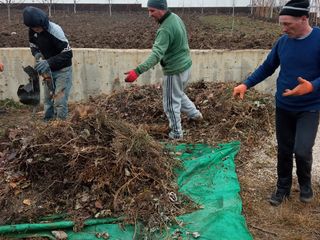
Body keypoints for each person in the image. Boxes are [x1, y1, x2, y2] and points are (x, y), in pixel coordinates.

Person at [233, 0, 320, 206]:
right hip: (284, 107)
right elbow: (267, 67)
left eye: (288, 24)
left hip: (309, 107)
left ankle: (305, 185)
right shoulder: (283, 42)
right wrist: (246, 84)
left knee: (302, 149)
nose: (284, 28)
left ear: (303, 19)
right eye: (282, 24)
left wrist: (312, 86)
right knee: (283, 149)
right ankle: (282, 188)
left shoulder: (318, 39)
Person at [124, 0, 202, 140]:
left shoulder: (165, 29)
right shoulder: (175, 18)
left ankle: (176, 134)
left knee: (170, 104)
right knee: (178, 94)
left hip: (174, 71)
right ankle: (195, 115)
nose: (150, 14)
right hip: (185, 66)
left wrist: (137, 71)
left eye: (152, 11)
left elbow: (156, 54)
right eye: (149, 10)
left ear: (162, 9)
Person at [23, 6, 73, 121]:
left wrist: (49, 62)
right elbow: (33, 46)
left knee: (59, 101)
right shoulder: (32, 31)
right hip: (47, 72)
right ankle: (47, 124)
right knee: (48, 99)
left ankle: (61, 126)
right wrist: (37, 55)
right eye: (35, 28)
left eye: (39, 28)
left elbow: (68, 54)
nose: (37, 30)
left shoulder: (55, 31)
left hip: (62, 70)